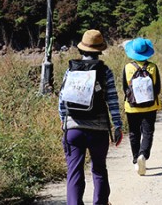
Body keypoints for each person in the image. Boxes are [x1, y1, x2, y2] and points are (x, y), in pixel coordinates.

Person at [58, 29, 123, 205]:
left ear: (82, 49)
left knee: (74, 172)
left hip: (73, 130)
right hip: (99, 131)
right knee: (99, 169)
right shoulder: (105, 71)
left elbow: (62, 100)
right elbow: (113, 101)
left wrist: (65, 123)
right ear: (100, 50)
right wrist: (117, 126)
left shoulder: (71, 70)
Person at [122, 37, 162, 176]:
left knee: (134, 133)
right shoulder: (153, 67)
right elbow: (157, 88)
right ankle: (143, 155)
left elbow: (124, 88)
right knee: (148, 132)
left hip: (132, 107)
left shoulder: (128, 68)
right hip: (150, 107)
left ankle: (135, 159)